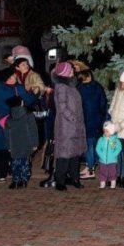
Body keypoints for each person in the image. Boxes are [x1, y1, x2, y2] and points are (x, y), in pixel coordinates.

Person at [0, 67, 36, 182]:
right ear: (6, 79)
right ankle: (1, 173)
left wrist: (34, 93)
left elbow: (28, 100)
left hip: (18, 124)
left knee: (16, 147)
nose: (15, 77)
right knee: (2, 149)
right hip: (1, 124)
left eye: (15, 75)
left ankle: (16, 170)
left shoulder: (19, 88)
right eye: (12, 76)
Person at [52, 61, 87, 192]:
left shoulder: (72, 86)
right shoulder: (61, 87)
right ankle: (60, 181)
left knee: (75, 154)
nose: (73, 71)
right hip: (66, 126)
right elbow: (62, 107)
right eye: (71, 69)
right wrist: (73, 118)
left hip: (76, 125)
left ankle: (74, 178)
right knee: (64, 154)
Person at [77, 69, 108, 179]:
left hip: (86, 121)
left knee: (88, 146)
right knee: (94, 145)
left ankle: (90, 170)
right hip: (97, 120)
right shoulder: (97, 87)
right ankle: (91, 166)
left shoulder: (80, 89)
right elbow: (103, 103)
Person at [4, 94, 39, 188]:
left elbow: (6, 134)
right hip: (26, 143)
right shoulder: (28, 115)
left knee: (15, 163)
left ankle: (15, 180)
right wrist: (35, 143)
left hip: (14, 145)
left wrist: (8, 146)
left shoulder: (9, 118)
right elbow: (33, 130)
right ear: (22, 103)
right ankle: (23, 180)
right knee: (25, 162)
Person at [95, 121, 122, 189]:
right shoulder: (101, 139)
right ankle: (102, 184)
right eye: (104, 131)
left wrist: (113, 155)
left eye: (107, 131)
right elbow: (98, 148)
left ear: (112, 131)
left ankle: (113, 184)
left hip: (112, 161)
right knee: (102, 172)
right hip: (102, 161)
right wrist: (101, 155)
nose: (105, 133)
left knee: (112, 173)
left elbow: (119, 148)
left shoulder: (115, 140)